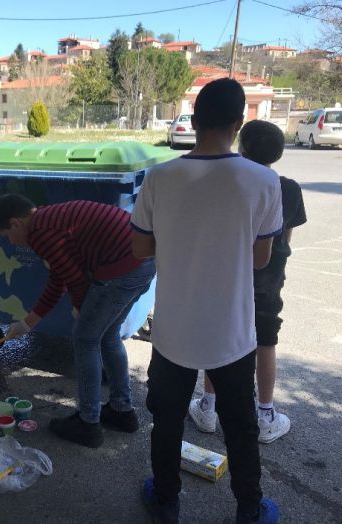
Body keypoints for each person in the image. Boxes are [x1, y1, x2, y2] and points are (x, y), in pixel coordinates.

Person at [131, 78, 283, 523]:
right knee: (241, 426)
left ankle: (165, 500)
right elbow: (260, 258)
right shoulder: (262, 181)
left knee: (167, 420)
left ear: (193, 123)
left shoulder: (160, 177)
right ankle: (249, 510)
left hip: (174, 331)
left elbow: (140, 249)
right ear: (239, 124)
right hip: (232, 332)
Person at [0, 195, 156, 448]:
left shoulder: (40, 231)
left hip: (122, 267)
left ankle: (88, 423)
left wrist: (80, 308)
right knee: (108, 335)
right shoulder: (46, 219)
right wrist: (28, 322)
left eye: (6, 236)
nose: (10, 242)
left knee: (85, 339)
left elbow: (76, 280)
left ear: (15, 223)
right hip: (142, 262)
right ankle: (122, 411)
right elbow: (60, 276)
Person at [188, 119, 306, 444]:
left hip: (228, 278)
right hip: (268, 282)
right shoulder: (289, 188)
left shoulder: (231, 183)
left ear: (243, 148)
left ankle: (208, 407)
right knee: (266, 342)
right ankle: (265, 414)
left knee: (219, 338)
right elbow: (286, 238)